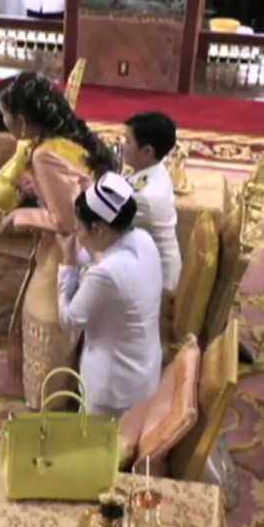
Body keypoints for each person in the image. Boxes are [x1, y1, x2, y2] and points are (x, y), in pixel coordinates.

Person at [0, 72, 117, 410]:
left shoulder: (43, 154)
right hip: (95, 242)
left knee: (46, 314)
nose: (3, 121)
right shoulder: (66, 138)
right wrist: (42, 191)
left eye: (5, 114)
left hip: (70, 250)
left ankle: (47, 400)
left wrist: (19, 217)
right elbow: (75, 186)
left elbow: (64, 222)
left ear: (20, 120)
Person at [58, 172, 163, 418]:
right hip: (144, 371)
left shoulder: (106, 274)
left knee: (99, 446)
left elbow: (69, 320)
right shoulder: (143, 239)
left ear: (98, 229)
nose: (77, 233)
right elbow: (102, 256)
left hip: (113, 387)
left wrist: (66, 263)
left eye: (79, 228)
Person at [120, 112, 182, 291]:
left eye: (128, 141)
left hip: (155, 284)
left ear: (147, 151)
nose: (123, 147)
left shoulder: (145, 197)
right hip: (148, 263)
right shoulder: (154, 169)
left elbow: (105, 222)